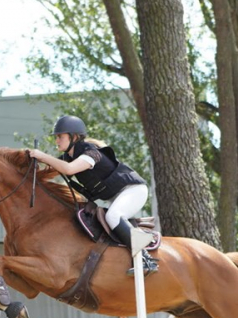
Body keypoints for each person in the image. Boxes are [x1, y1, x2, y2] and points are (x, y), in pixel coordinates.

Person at [30, 115, 158, 275]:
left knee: (113, 216)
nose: (57, 141)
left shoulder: (91, 153)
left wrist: (41, 155)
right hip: (114, 195)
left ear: (74, 137)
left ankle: (146, 259)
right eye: (56, 137)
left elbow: (68, 169)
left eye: (60, 137)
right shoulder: (68, 157)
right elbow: (54, 168)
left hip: (133, 190)